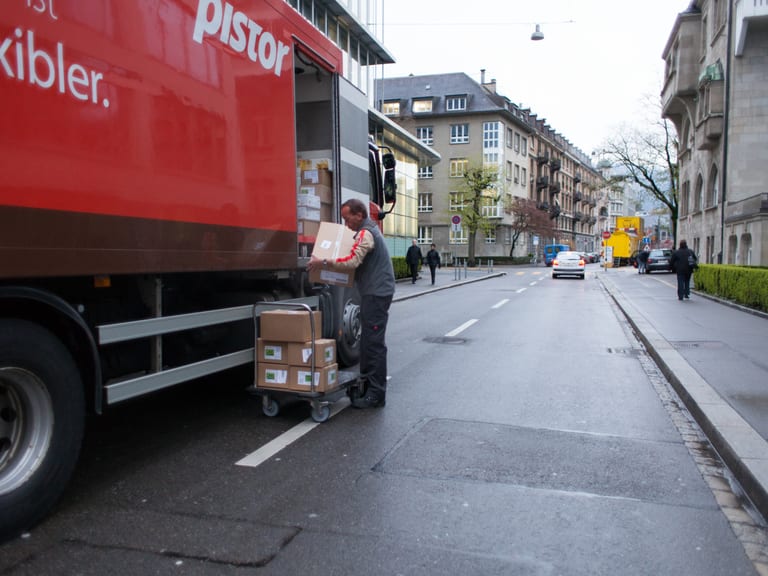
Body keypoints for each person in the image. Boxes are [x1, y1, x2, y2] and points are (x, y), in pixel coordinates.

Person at [307, 199, 394, 408]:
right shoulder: (367, 231)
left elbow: (353, 262)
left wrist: (323, 262)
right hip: (374, 292)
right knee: (368, 342)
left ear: (359, 215)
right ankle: (368, 387)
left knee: (373, 344)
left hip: (376, 294)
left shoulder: (366, 233)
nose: (346, 224)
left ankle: (376, 394)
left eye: (347, 219)